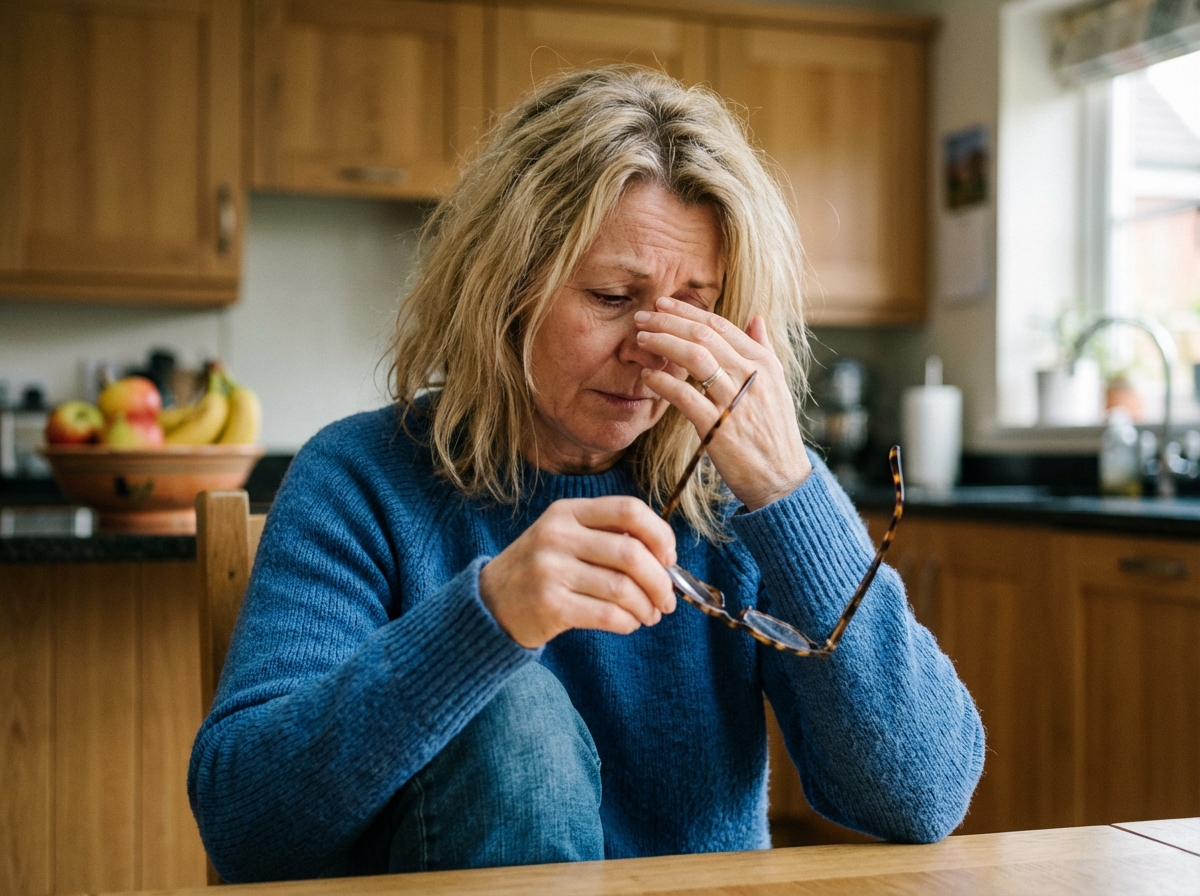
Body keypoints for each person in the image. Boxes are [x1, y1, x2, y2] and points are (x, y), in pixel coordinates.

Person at [188, 66, 984, 884]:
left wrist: (791, 496)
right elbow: (245, 823)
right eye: (612, 296)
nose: (653, 348)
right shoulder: (361, 479)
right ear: (504, 290)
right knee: (513, 705)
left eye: (694, 306)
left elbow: (922, 796)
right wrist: (486, 621)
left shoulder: (738, 492)